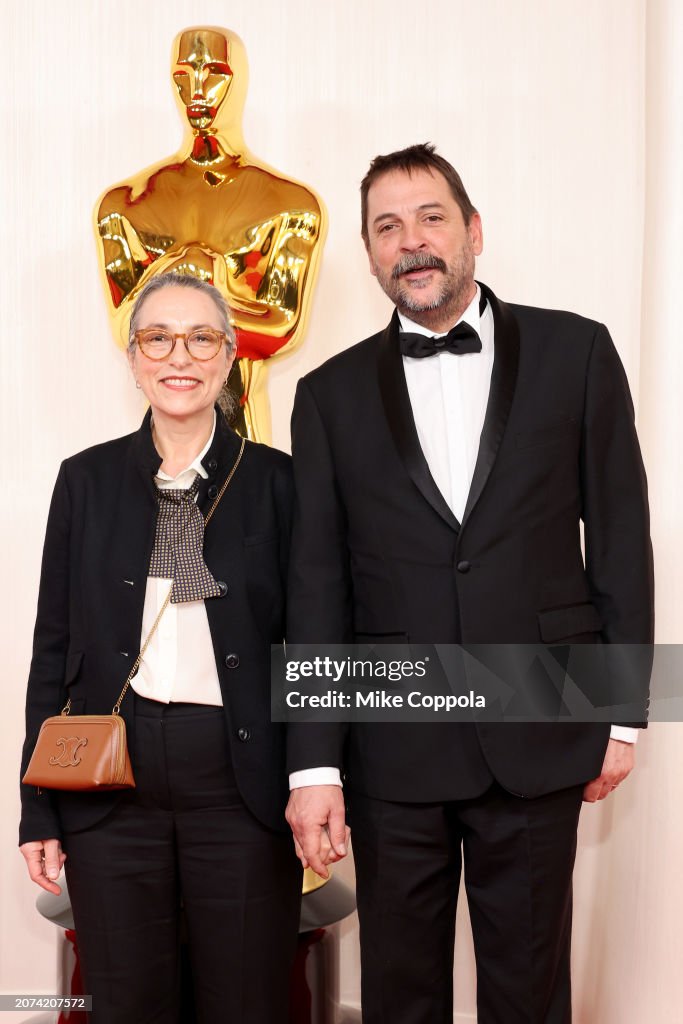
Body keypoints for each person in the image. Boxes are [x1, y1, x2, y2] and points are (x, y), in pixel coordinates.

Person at [285, 144, 654, 1023]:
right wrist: (312, 761)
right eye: (386, 227)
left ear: (473, 231)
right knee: (399, 993)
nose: (410, 241)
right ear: (370, 255)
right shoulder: (326, 395)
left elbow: (620, 541)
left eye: (430, 217)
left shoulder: (579, 350)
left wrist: (626, 711)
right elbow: (315, 585)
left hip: (538, 727)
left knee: (529, 992)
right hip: (389, 744)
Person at [19, 274, 301, 1023]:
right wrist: (36, 807)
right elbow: (54, 648)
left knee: (245, 999)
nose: (180, 356)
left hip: (240, 777)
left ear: (230, 355)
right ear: (134, 356)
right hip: (114, 780)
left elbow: (307, 643)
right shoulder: (85, 480)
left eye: (202, 337)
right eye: (158, 338)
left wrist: (315, 778)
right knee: (127, 1003)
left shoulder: (280, 483)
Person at [94, 25, 325, 440]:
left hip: (246, 438)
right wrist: (180, 268)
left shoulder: (290, 204)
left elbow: (282, 328)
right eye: (183, 76)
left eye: (215, 73)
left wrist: (192, 291)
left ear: (241, 82)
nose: (197, 90)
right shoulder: (125, 204)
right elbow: (123, 327)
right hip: (159, 446)